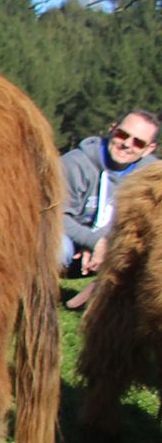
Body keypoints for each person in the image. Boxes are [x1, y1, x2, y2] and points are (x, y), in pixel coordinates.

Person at [59, 110, 159, 309]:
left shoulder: (152, 176)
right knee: (57, 249)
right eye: (122, 134)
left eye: (138, 142)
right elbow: (54, 216)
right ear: (112, 129)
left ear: (149, 149)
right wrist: (93, 241)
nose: (127, 144)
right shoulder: (74, 163)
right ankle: (36, 297)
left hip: (114, 247)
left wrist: (106, 243)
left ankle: (116, 306)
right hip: (71, 245)